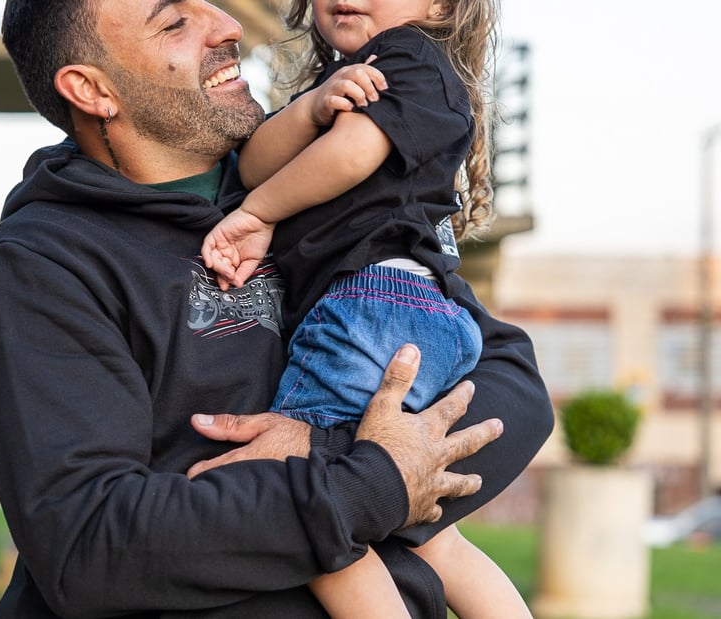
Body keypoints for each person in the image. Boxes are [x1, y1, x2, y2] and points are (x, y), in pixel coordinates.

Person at [0, 1, 554, 618]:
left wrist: (338, 453)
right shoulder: (39, 267)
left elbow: (516, 389)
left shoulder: (315, 195)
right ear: (91, 89)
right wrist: (369, 484)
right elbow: (89, 548)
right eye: (173, 22)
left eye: (209, 3)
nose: (228, 26)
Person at [200, 1, 526, 616]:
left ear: (439, 6)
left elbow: (352, 154)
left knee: (313, 516)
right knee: (426, 536)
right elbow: (252, 164)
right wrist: (309, 109)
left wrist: (257, 215)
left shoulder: (407, 57)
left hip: (371, 309)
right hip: (416, 314)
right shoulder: (357, 76)